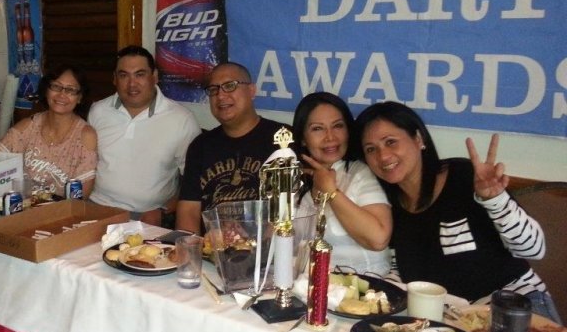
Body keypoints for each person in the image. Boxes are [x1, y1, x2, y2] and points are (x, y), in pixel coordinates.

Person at [355, 101, 560, 323]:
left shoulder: (464, 177)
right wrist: (371, 296)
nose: (383, 156)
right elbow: (400, 270)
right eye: (371, 149)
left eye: (391, 142)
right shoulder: (389, 204)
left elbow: (534, 249)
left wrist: (496, 200)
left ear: (418, 139)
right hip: (455, 321)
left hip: (514, 305)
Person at [88, 45, 200, 225]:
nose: (132, 84)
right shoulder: (98, 111)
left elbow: (194, 181)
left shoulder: (182, 120)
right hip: (96, 209)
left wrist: (164, 211)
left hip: (148, 218)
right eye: (124, 75)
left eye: (140, 74)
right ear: (114, 79)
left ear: (154, 76)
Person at [176, 62, 287, 234]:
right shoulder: (200, 146)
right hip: (211, 247)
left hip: (266, 248)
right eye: (213, 89)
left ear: (251, 91)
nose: (220, 95)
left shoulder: (283, 140)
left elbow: (291, 211)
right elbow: (188, 211)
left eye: (230, 86)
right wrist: (191, 248)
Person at [292, 92, 391, 274]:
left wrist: (331, 191)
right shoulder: (293, 178)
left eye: (338, 126)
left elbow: (378, 239)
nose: (330, 137)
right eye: (317, 129)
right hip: (305, 283)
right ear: (303, 138)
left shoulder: (360, 172)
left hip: (366, 283)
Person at [0, 64, 97, 196]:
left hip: (62, 208)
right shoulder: (28, 126)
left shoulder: (86, 135)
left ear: (80, 98)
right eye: (56, 86)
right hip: (21, 204)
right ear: (46, 90)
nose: (62, 94)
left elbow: (81, 195)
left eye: (70, 90)